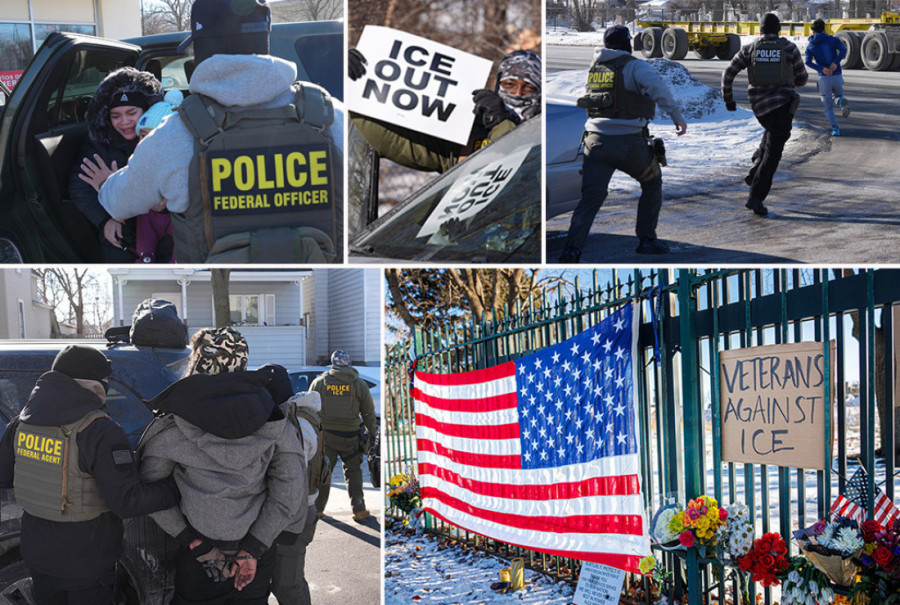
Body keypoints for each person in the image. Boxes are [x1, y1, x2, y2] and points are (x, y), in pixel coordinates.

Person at [97, 0, 342, 263]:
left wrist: (105, 182)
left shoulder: (174, 135)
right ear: (265, 41)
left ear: (201, 48)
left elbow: (116, 203)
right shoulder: (331, 116)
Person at [0, 345, 180, 605]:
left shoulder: (22, 423)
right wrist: (173, 489)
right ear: (91, 382)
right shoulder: (101, 430)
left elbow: (5, 476)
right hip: (87, 561)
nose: (106, 386)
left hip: (37, 554)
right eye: (104, 380)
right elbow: (126, 501)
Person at [137, 328, 304, 604]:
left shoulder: (174, 420)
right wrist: (252, 548)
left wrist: (193, 542)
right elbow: (289, 493)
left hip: (199, 553)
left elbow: (151, 489)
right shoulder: (275, 418)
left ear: (199, 362)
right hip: (254, 554)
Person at [558, 25, 687, 263]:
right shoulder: (634, 66)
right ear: (627, 43)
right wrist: (676, 116)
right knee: (652, 181)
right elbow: (659, 89)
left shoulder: (597, 66)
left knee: (590, 197)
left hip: (594, 143)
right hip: (628, 143)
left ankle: (571, 250)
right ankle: (647, 240)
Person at [349, 48, 542, 173]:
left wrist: (501, 124)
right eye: (509, 84)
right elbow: (390, 141)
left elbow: (501, 171)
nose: (517, 93)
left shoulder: (542, 133)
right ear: (498, 85)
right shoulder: (472, 129)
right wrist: (350, 86)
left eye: (529, 87)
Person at [70, 67, 163, 262]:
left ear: (145, 110)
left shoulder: (162, 139)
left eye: (131, 112)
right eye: (116, 116)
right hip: (121, 235)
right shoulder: (99, 145)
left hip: (162, 228)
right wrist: (105, 220)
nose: (125, 121)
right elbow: (79, 187)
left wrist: (110, 185)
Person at [722, 13, 808, 217]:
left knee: (771, 135)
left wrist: (729, 100)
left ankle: (755, 168)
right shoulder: (788, 48)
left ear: (760, 30)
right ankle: (756, 197)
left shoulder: (749, 49)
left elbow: (728, 73)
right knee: (773, 155)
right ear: (778, 29)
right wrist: (789, 80)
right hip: (781, 106)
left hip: (760, 108)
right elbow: (803, 78)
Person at [262, 364, 320, 605]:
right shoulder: (302, 416)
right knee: (288, 581)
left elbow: (291, 482)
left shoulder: (293, 424)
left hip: (293, 515)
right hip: (298, 511)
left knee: (287, 585)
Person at [309, 350, 377, 522]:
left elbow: (309, 409)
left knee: (324, 472)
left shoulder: (319, 383)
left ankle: (318, 509)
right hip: (351, 437)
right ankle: (359, 510)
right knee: (354, 472)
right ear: (349, 363)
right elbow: (368, 412)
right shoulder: (359, 384)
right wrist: (372, 434)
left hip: (326, 437)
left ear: (333, 363)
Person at [131, 89, 184, 263]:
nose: (146, 141)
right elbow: (127, 185)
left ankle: (178, 264)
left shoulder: (181, 160)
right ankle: (145, 258)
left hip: (175, 215)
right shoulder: (137, 159)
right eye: (143, 135)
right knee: (144, 227)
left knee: (184, 234)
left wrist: (169, 199)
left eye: (154, 136)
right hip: (149, 215)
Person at [805, 18, 850, 136]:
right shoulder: (833, 40)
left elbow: (808, 62)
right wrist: (835, 62)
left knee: (828, 106)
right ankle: (841, 102)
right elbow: (843, 49)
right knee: (838, 95)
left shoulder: (811, 45)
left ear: (813, 31)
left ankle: (835, 128)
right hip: (837, 75)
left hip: (823, 78)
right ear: (824, 29)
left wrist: (822, 69)